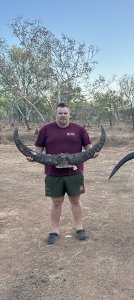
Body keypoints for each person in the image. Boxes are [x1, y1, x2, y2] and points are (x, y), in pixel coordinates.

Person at [27, 103, 98, 244]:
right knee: (56, 203)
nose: (63, 115)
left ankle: (79, 227)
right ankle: (54, 230)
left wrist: (92, 152)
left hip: (75, 172)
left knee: (76, 201)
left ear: (69, 114)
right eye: (60, 113)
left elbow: (88, 147)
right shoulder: (45, 129)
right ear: (56, 114)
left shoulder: (79, 129)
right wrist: (33, 156)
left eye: (65, 113)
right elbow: (38, 149)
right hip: (53, 173)